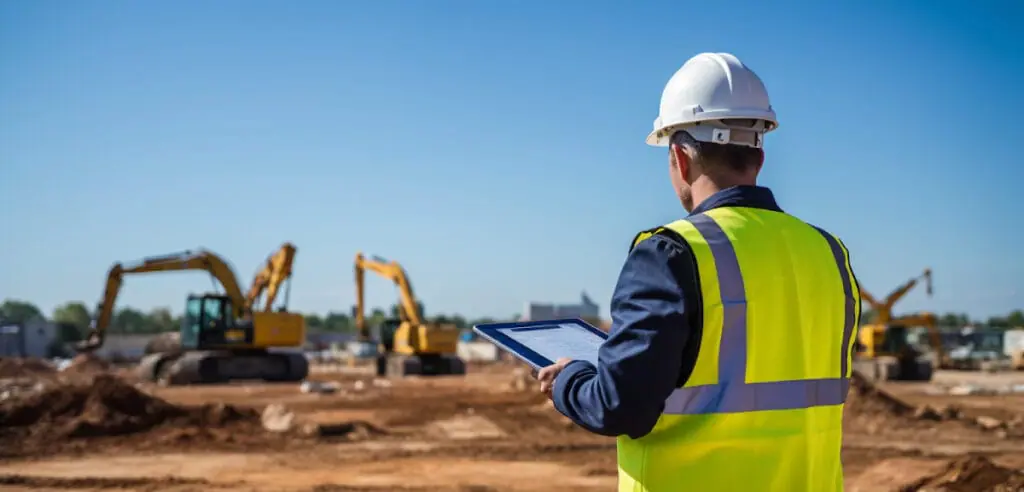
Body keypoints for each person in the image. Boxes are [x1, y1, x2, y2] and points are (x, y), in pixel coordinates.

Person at [536, 52, 860, 491]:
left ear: (680, 158)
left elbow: (620, 406)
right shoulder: (830, 254)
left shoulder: (671, 254)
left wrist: (569, 379)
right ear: (758, 158)